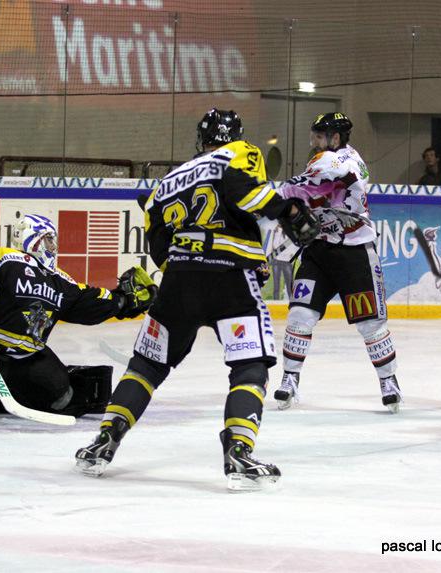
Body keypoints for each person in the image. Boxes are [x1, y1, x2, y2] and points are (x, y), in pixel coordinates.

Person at [74, 109, 319, 491]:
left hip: (179, 283)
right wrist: (290, 210)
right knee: (250, 365)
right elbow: (247, 192)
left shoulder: (170, 179)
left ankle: (105, 439)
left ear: (200, 140)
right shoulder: (238, 152)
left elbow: (157, 240)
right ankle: (238, 451)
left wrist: (182, 266)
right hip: (230, 280)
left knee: (146, 366)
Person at [0, 214, 157, 416]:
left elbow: (85, 300)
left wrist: (122, 301)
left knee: (63, 398)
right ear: (32, 237)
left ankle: (3, 395)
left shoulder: (57, 278)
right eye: (48, 239)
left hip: (28, 358)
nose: (53, 246)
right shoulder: (3, 257)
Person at [272, 112, 402, 413]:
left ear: (336, 138)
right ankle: (290, 379)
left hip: (354, 253)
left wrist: (266, 197)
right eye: (314, 136)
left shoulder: (340, 161)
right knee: (300, 315)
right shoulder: (324, 159)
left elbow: (300, 188)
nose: (314, 142)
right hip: (319, 251)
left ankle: (389, 381)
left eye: (320, 137)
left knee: (370, 324)